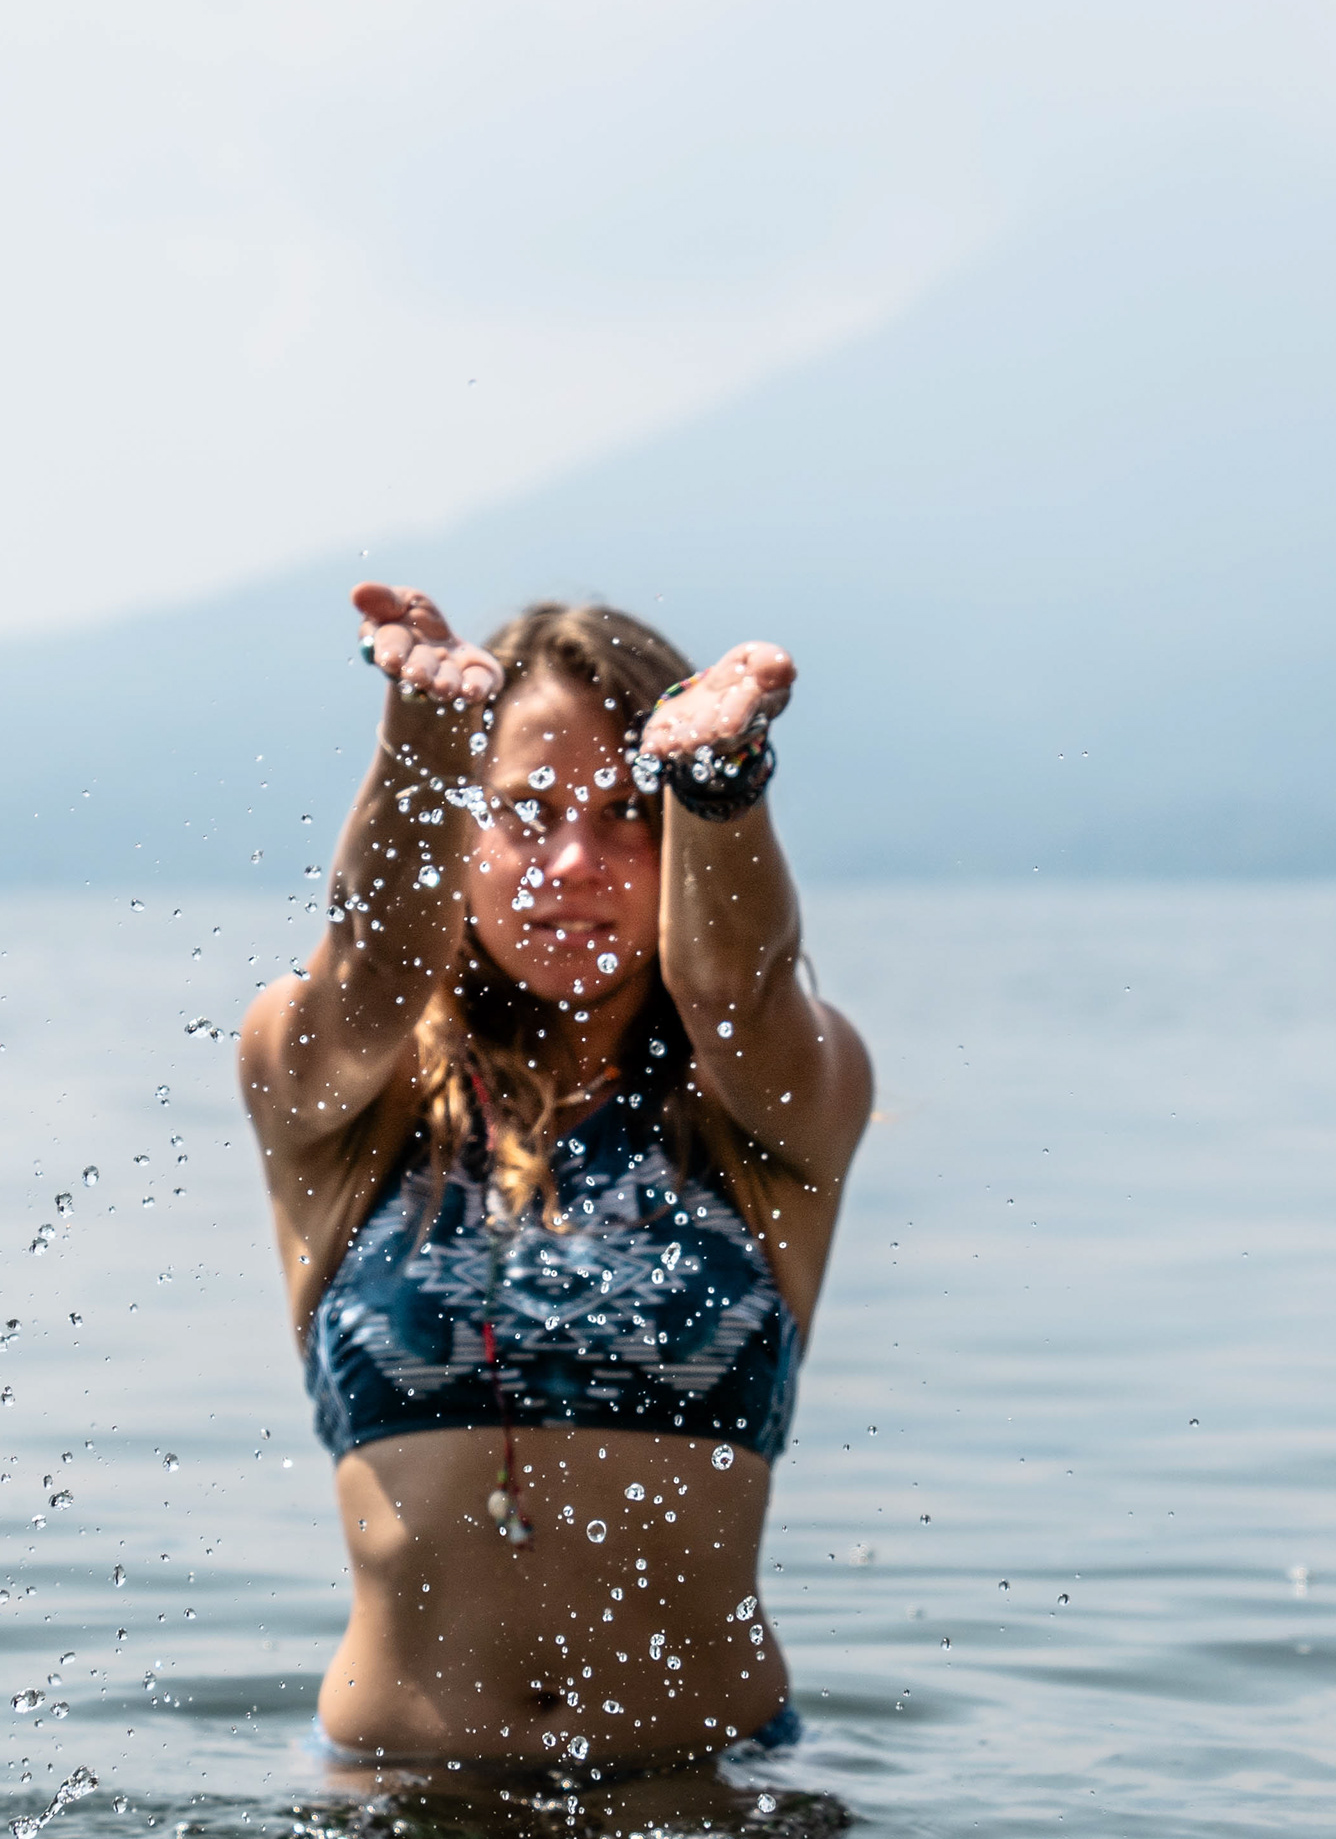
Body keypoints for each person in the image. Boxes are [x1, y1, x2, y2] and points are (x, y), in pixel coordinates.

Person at [236, 582, 872, 1777]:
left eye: (630, 810)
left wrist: (720, 784)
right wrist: (421, 746)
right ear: (462, 828)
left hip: (709, 1802)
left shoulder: (773, 1104)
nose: (574, 861)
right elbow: (376, 964)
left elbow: (736, 993)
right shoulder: (349, 1101)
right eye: (526, 810)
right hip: (395, 1807)